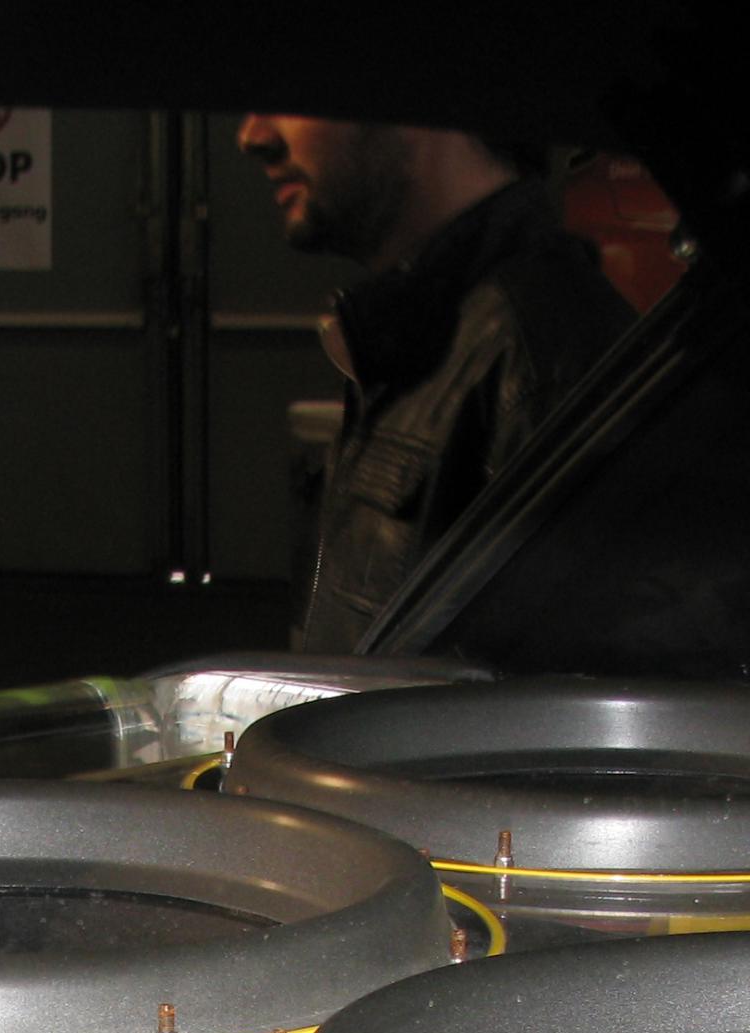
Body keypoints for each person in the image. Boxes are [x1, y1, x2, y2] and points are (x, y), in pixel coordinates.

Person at [239, 116, 636, 653]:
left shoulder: (539, 353)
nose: (253, 137)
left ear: (419, 106)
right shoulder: (433, 329)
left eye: (296, 96)